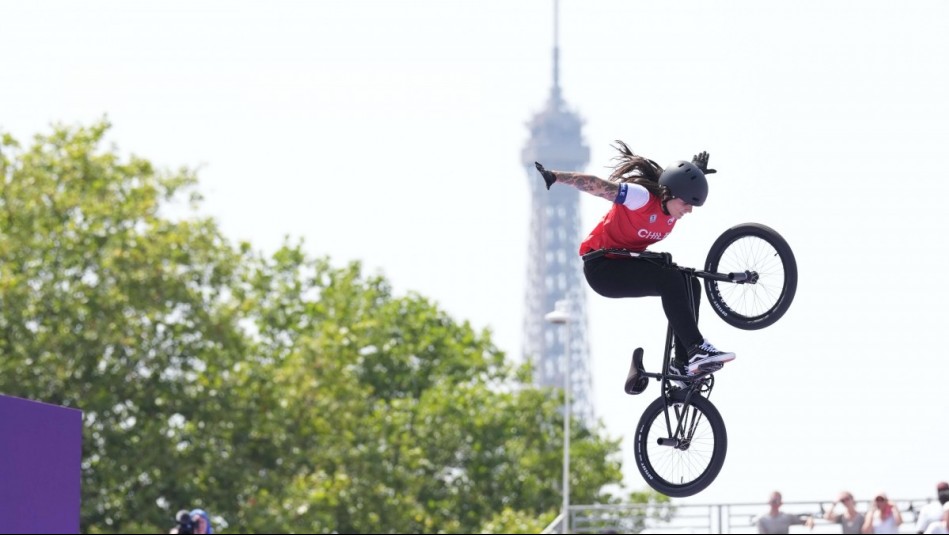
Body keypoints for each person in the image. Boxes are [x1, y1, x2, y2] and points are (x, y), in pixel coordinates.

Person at [535, 141, 735, 377]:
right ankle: (697, 348)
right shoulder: (640, 198)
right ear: (669, 194)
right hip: (602, 269)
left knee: (689, 282)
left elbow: (677, 182)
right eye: (686, 203)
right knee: (670, 280)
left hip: (624, 261)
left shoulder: (671, 205)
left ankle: (682, 364)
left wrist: (696, 173)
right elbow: (598, 186)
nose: (688, 210)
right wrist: (557, 176)